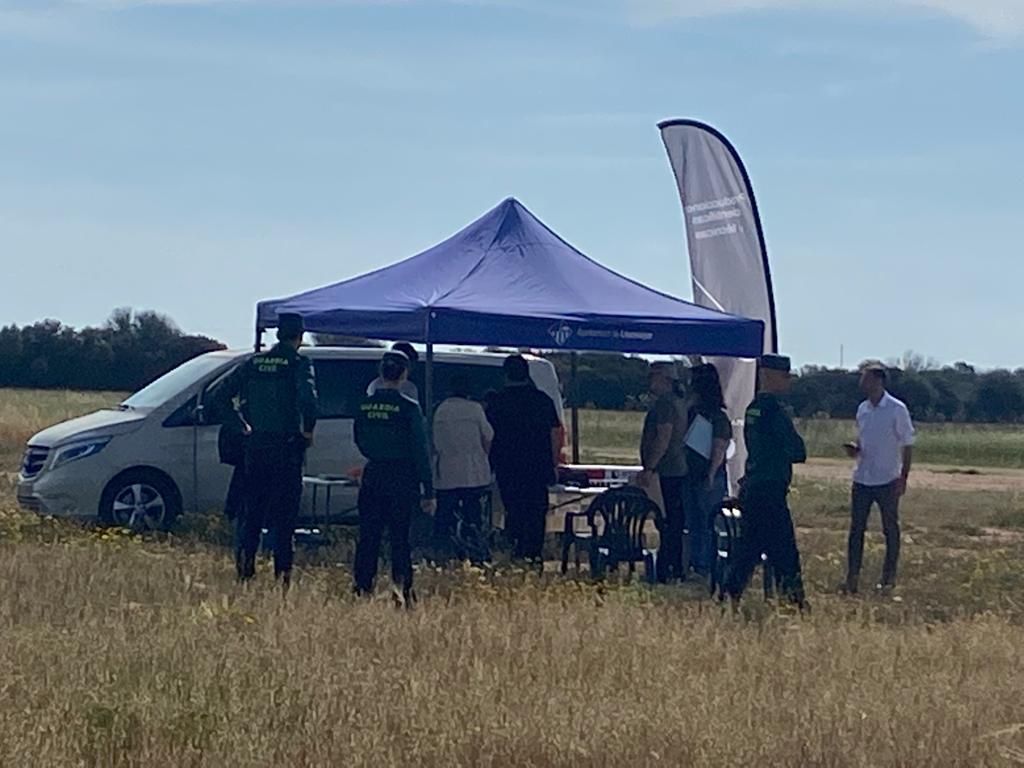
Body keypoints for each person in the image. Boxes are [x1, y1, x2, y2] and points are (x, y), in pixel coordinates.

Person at [209, 313, 318, 588]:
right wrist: (308, 431)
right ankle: (283, 580)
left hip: (255, 447)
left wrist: (240, 424)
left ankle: (244, 573)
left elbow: (217, 395)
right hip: (286, 448)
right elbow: (308, 400)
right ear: (300, 337)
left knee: (252, 515)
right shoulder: (297, 363)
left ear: (278, 334)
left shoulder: (253, 362)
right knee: (285, 517)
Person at [723, 353, 808, 609]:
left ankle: (729, 595)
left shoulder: (753, 408)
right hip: (770, 489)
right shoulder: (774, 410)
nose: (787, 382)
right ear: (767, 375)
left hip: (754, 487)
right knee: (784, 551)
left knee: (748, 550)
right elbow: (797, 451)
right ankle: (794, 602)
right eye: (783, 376)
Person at [353, 350, 436, 607]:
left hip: (374, 473)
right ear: (404, 374)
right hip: (402, 476)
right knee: (400, 537)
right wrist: (429, 490)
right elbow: (421, 451)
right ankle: (402, 591)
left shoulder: (363, 406)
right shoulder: (409, 408)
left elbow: (359, 439)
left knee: (368, 536)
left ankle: (362, 588)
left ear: (381, 373)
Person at [840, 361, 915, 594]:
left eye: (866, 378)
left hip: (887, 479)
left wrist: (903, 477)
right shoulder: (862, 409)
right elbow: (864, 440)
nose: (862, 382)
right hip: (862, 477)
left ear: (878, 380)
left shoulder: (896, 409)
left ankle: (888, 579)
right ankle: (852, 578)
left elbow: (908, 444)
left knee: (890, 529)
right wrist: (856, 449)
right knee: (856, 530)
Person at [487, 355, 562, 563]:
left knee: (514, 510)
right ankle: (533, 556)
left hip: (507, 466)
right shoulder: (542, 400)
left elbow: (488, 436)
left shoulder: (497, 402)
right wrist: (554, 463)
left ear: (505, 375)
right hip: (538, 467)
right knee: (537, 513)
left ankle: (516, 553)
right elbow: (556, 433)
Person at [432, 374, 494, 563]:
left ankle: (443, 552)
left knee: (445, 516)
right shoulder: (474, 409)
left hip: (446, 472)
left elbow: (433, 442)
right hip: (473, 472)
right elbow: (488, 436)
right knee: (473, 517)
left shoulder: (440, 410)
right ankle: (474, 554)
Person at [639, 361, 689, 583]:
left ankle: (666, 570)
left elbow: (663, 436)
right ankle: (674, 568)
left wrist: (650, 467)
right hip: (676, 469)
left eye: (655, 375)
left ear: (666, 379)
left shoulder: (666, 404)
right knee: (673, 522)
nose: (650, 379)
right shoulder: (678, 402)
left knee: (667, 522)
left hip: (667, 471)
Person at [683, 363, 732, 577]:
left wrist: (711, 473)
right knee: (694, 521)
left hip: (707, 475)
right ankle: (696, 561)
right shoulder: (692, 411)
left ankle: (706, 564)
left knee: (707, 521)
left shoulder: (717, 416)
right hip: (691, 473)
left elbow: (719, 445)